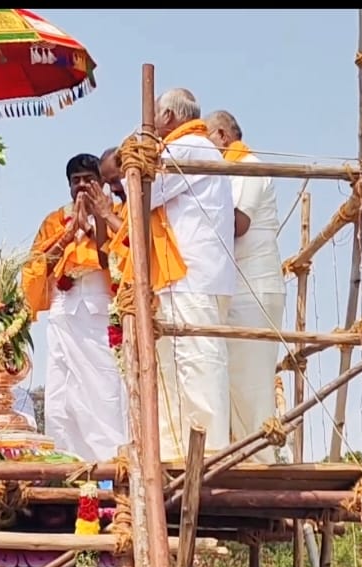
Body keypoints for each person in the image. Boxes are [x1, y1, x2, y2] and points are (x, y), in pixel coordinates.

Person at [89, 88, 235, 462]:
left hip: (189, 277)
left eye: (152, 117)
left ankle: (204, 455)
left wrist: (120, 183)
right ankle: (175, 451)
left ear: (168, 116)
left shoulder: (184, 148)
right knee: (177, 366)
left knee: (194, 365)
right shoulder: (195, 147)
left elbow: (142, 195)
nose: (148, 126)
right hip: (192, 277)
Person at [22, 153, 128, 463]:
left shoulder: (116, 212)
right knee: (61, 391)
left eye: (88, 178)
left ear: (100, 181)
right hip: (63, 306)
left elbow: (116, 260)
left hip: (98, 304)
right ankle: (66, 461)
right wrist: (69, 233)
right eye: (75, 180)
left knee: (103, 386)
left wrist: (97, 222)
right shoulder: (55, 219)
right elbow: (38, 265)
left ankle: (109, 462)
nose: (82, 185)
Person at [205, 110, 286, 463]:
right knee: (231, 377)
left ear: (222, 135)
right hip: (237, 285)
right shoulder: (230, 171)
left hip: (255, 285)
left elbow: (236, 223)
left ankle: (260, 461)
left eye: (205, 139)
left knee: (251, 381)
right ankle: (241, 456)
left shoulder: (247, 168)